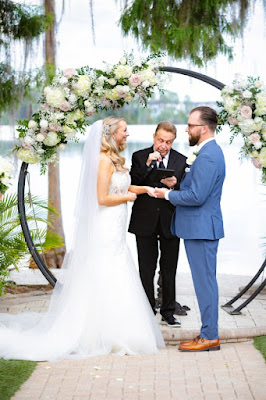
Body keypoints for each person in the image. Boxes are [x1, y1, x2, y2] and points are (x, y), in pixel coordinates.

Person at [0, 117, 165, 361]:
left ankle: (117, 328)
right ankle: (99, 332)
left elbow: (122, 187)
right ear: (111, 134)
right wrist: (128, 199)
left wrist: (145, 190)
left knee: (118, 269)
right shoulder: (102, 161)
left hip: (116, 226)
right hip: (105, 224)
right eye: (124, 130)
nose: (128, 134)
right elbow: (102, 198)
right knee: (105, 270)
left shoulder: (114, 159)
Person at [155, 106, 225, 351]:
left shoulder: (207, 155)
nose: (186, 129)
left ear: (203, 129)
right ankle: (208, 333)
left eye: (190, 125)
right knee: (204, 281)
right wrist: (178, 183)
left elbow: (197, 197)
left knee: (205, 283)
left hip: (202, 229)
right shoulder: (206, 152)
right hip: (199, 228)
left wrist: (168, 195)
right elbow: (197, 187)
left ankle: (210, 336)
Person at [128, 121, 187, 327]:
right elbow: (132, 184)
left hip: (170, 220)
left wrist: (176, 184)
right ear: (154, 137)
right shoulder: (138, 156)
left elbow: (185, 191)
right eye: (161, 140)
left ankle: (168, 312)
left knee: (169, 269)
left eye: (168, 142)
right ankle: (146, 310)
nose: (164, 145)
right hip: (145, 220)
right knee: (146, 268)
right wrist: (147, 165)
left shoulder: (182, 160)